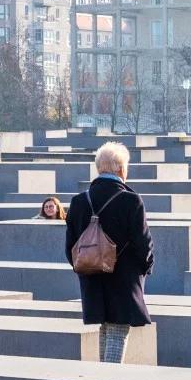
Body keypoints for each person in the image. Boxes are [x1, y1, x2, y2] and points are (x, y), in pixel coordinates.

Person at [65, 142, 154, 364]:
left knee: (106, 328)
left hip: (92, 276)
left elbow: (70, 247)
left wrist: (87, 266)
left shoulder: (78, 201)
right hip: (123, 278)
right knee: (117, 329)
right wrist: (145, 268)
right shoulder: (131, 200)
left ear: (99, 168)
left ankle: (103, 378)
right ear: (121, 169)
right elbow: (143, 243)